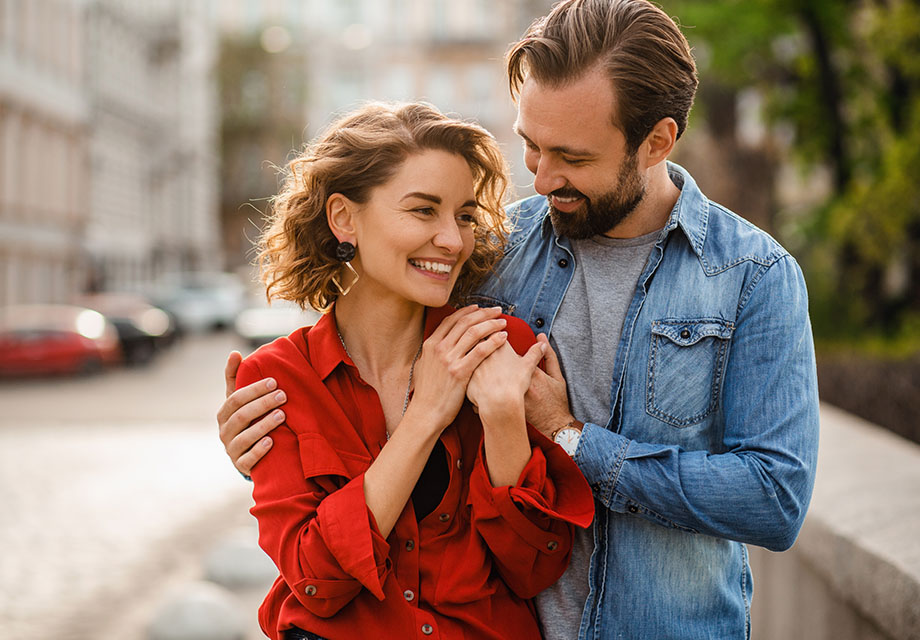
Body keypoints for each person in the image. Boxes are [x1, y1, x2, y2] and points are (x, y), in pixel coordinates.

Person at [219, 1, 820, 638]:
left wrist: (569, 437)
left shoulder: (753, 276)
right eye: (531, 145)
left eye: (573, 157)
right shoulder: (492, 251)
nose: (541, 174)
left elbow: (775, 498)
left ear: (656, 142)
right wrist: (268, 442)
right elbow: (378, 310)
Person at [232, 101, 594, 640]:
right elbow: (316, 580)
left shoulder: (499, 349)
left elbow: (534, 567)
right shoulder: (278, 380)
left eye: (465, 216)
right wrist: (427, 413)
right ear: (344, 218)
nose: (452, 239)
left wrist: (500, 417)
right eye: (424, 211)